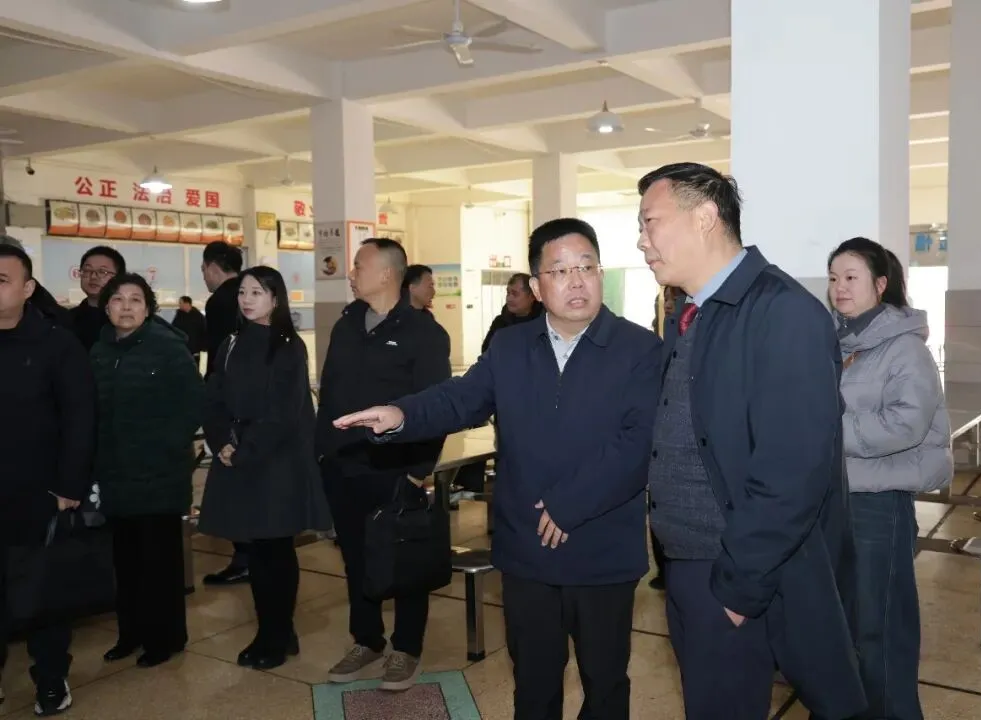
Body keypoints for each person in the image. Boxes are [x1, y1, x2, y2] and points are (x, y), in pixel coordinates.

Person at [333, 218, 663, 719]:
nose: (576, 281)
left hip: (602, 552)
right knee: (533, 681)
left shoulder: (640, 349)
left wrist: (569, 505)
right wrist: (401, 415)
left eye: (587, 267)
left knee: (605, 683)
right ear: (536, 287)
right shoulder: (511, 348)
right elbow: (459, 398)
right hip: (527, 550)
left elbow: (639, 444)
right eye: (560, 270)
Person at [636, 162, 865, 720]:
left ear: (704, 217)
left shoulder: (781, 312)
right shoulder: (694, 312)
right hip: (687, 564)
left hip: (732, 571)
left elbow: (793, 472)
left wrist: (737, 591)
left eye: (650, 222)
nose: (641, 241)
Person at [314, 238, 451, 690]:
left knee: (404, 558)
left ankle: (406, 648)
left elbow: (435, 407)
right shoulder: (347, 324)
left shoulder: (424, 333)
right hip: (344, 465)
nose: (351, 273)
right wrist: (323, 452)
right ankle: (367, 639)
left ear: (387, 274)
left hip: (396, 469)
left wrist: (418, 470)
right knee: (356, 558)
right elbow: (330, 393)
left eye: (359, 265)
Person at [828, 237, 951, 720]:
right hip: (840, 499)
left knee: (879, 628)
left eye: (851, 277)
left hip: (879, 505)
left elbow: (905, 425)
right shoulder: (840, 344)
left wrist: (825, 430)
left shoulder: (905, 349)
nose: (839, 287)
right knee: (845, 627)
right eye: (834, 278)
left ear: (881, 284)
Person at [200, 266, 332, 670]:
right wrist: (221, 441)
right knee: (255, 551)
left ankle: (277, 633)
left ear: (276, 299)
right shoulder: (231, 342)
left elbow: (283, 413)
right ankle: (273, 631)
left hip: (276, 463)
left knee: (275, 548)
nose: (247, 299)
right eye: (242, 292)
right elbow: (213, 396)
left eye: (257, 292)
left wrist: (244, 451)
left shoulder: (288, 346)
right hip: (238, 453)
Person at [0, 243, 95, 716]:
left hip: (37, 495)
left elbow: (81, 418)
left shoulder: (56, 344)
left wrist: (68, 488)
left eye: (2, 280)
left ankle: (51, 678)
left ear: (27, 288)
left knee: (44, 596)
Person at [90, 274, 203, 668]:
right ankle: (131, 633)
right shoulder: (99, 351)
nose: (126, 307)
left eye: (135, 299)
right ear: (106, 307)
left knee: (160, 560)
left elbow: (193, 403)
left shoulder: (168, 347)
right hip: (116, 473)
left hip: (159, 472)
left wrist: (166, 444)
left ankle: (165, 637)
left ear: (149, 308)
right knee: (126, 560)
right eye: (117, 299)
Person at [199, 241, 249, 586]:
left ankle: (244, 558)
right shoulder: (249, 293)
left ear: (212, 267)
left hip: (230, 407)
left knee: (233, 483)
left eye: (204, 270)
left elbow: (220, 359)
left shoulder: (219, 300)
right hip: (251, 406)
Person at [646, 285, 682, 591]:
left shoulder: (686, 330)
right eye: (665, 299)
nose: (668, 304)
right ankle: (664, 569)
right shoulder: (664, 331)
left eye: (673, 299)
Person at [70, 245, 126, 351]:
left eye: (103, 272)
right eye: (87, 270)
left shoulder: (128, 318)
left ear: (119, 277)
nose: (93, 277)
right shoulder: (66, 319)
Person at [480, 272, 543, 352]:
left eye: (515, 294)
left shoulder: (544, 323)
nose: (509, 298)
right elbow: (486, 351)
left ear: (532, 296)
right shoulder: (500, 322)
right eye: (508, 293)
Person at [171, 295, 207, 364]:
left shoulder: (198, 317)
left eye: (181, 303)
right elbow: (174, 330)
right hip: (182, 349)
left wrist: (203, 347)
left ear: (187, 303)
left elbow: (204, 332)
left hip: (195, 350)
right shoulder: (179, 316)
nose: (179, 305)